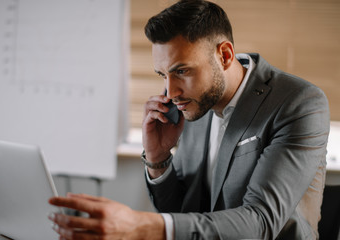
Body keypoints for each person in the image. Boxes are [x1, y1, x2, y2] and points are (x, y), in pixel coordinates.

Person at [48, 0, 330, 239]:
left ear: (225, 55)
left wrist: (142, 226)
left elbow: (262, 222)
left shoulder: (299, 103)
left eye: (182, 71)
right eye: (163, 75)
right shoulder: (192, 103)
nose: (171, 92)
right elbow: (180, 210)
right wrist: (158, 159)